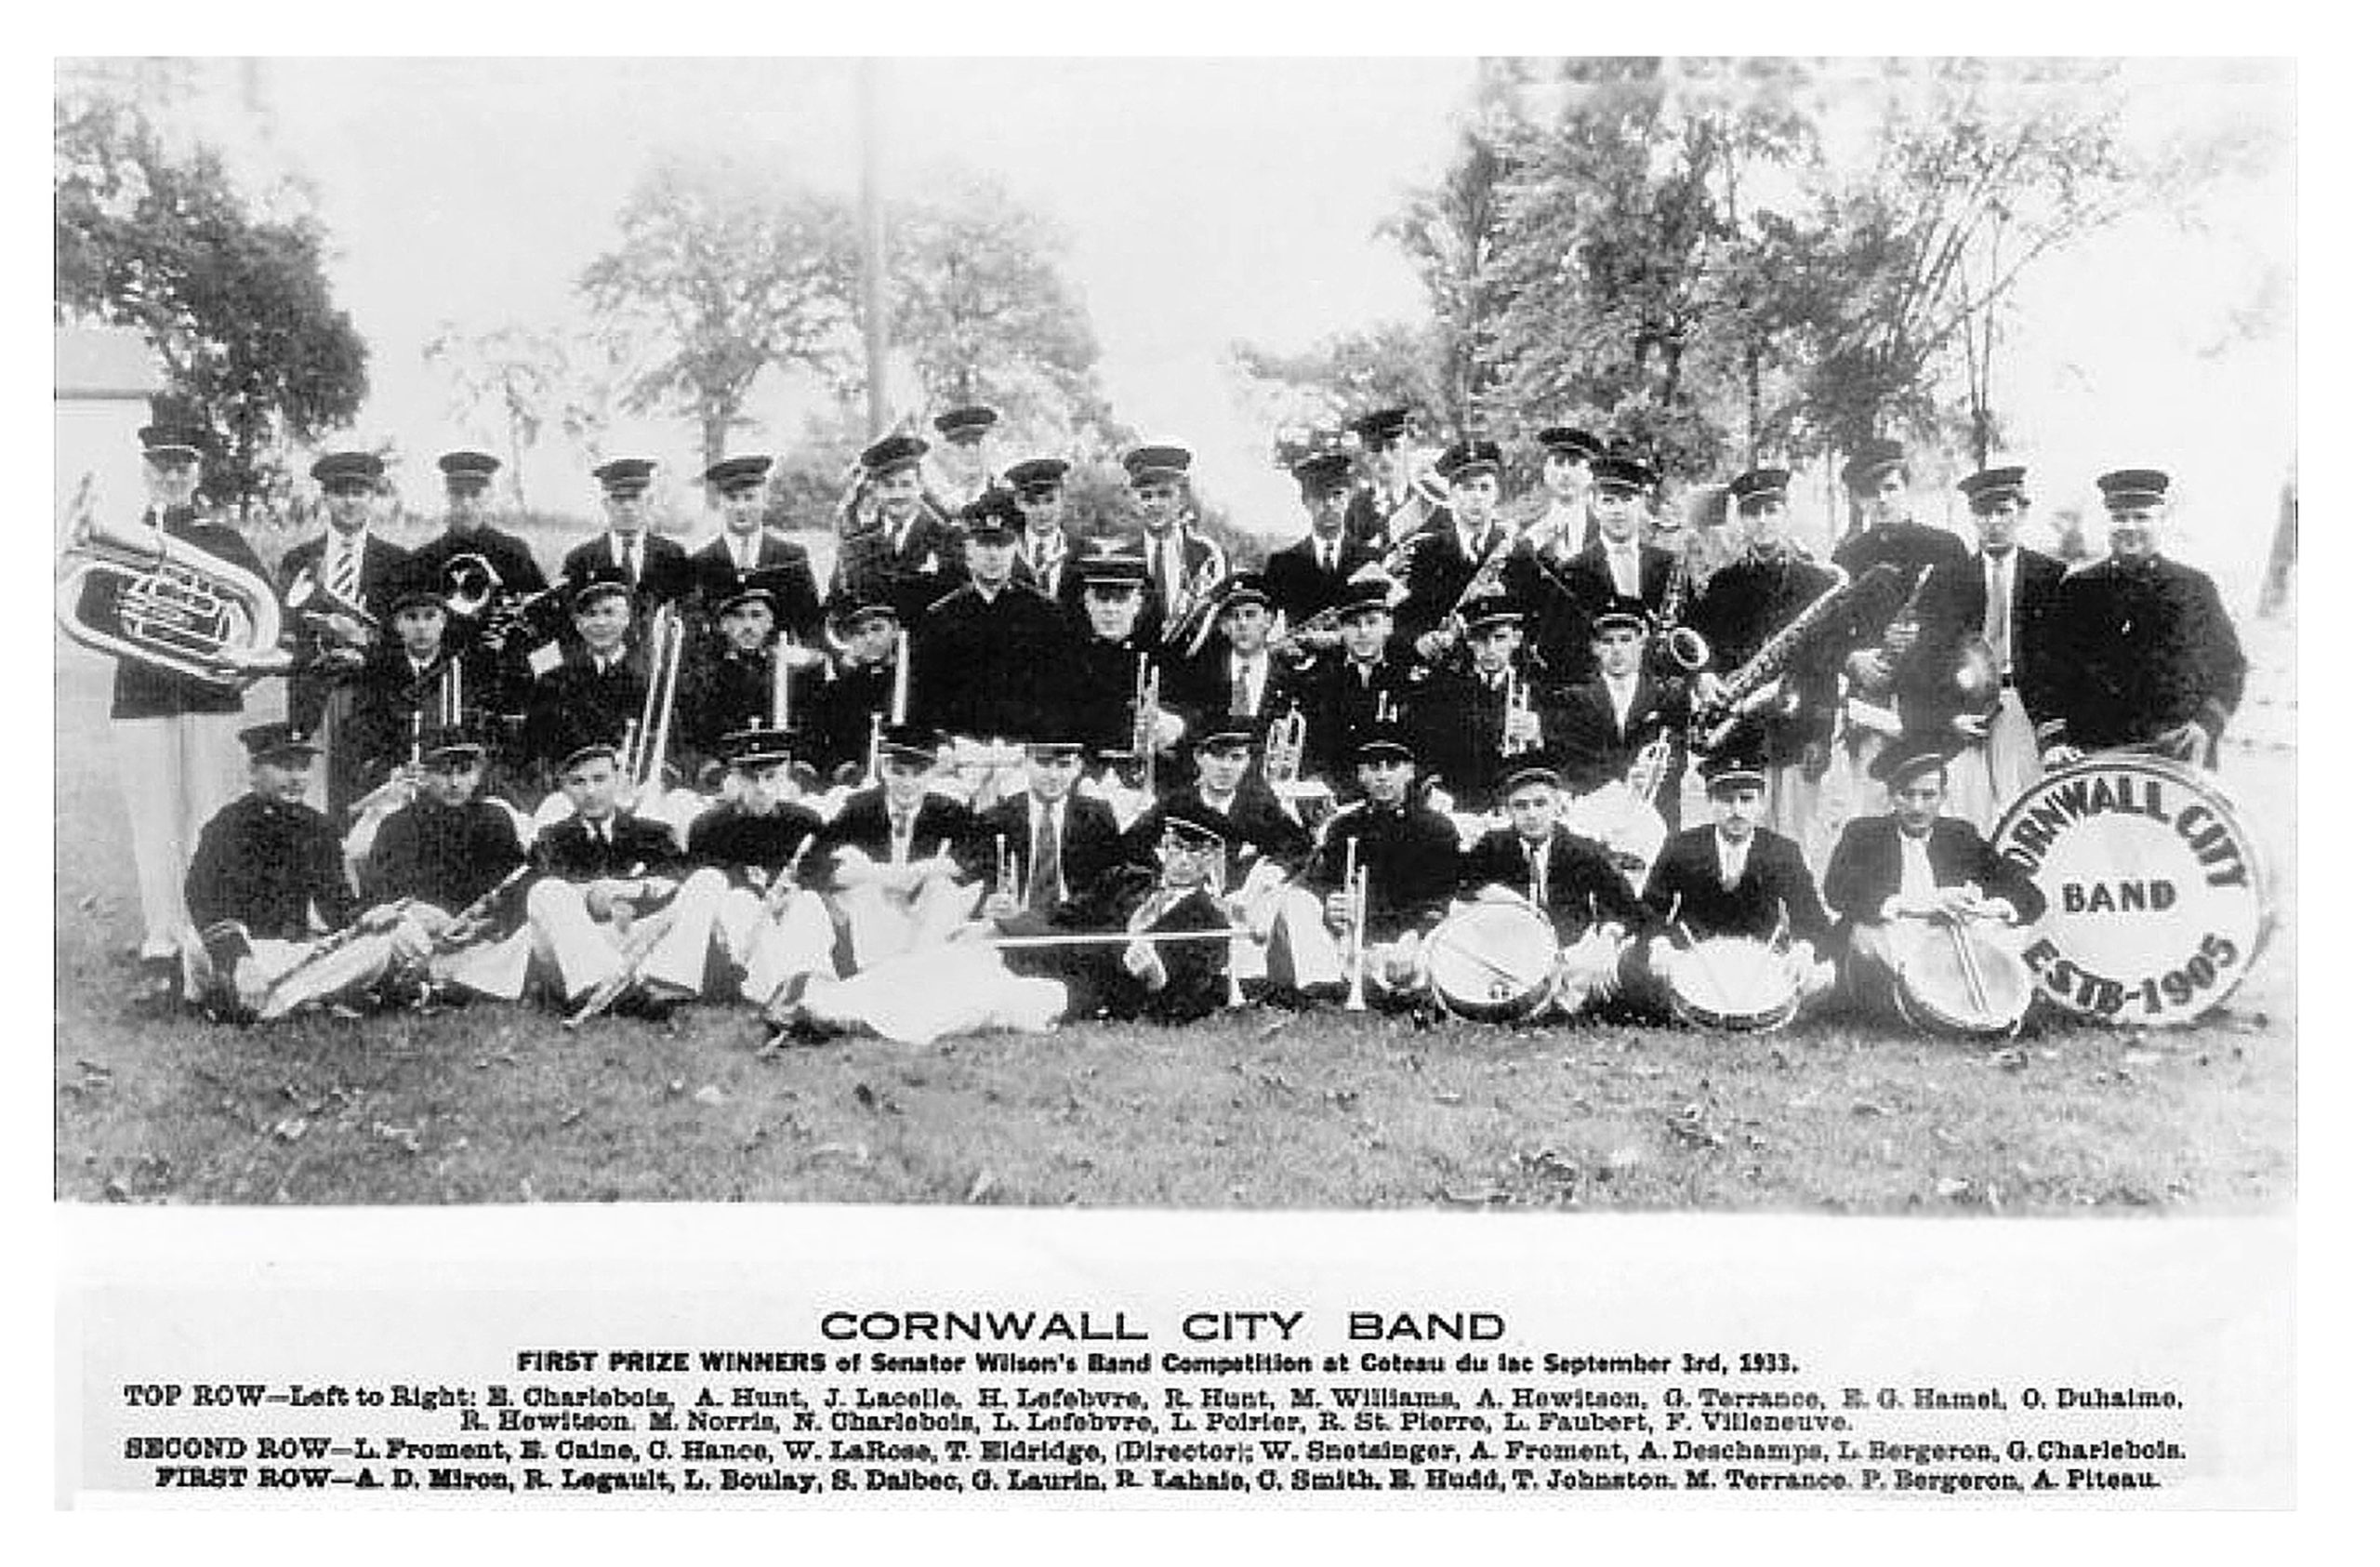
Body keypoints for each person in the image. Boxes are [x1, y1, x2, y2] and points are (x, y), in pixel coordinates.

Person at [88, 420, 276, 985]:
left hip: (210, 698)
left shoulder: (223, 541)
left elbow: (264, 615)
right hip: (142, 698)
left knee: (209, 818)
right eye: (161, 465)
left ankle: (207, 928)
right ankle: (161, 934)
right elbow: (94, 610)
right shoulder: (118, 534)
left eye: (182, 466)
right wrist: (142, 611)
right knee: (153, 822)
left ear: (197, 473)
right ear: (146, 471)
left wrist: (227, 642)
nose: (172, 475)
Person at [1687, 467, 1854, 857]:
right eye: (1752, 513)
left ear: (1786, 514)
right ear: (1741, 520)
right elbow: (1702, 651)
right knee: (1740, 844)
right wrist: (1705, 677)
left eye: (1771, 510)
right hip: (1739, 731)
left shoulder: (1816, 583)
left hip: (1797, 731)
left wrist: (1820, 736)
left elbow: (1827, 667)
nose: (1762, 521)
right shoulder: (1721, 584)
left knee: (1794, 842)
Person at [180, 724, 397, 1021]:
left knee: (377, 949)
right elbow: (203, 901)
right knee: (194, 942)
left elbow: (335, 903)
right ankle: (303, 998)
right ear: (253, 771)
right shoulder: (227, 825)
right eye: (284, 766)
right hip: (241, 949)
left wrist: (366, 917)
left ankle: (264, 1004)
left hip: (292, 951)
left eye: (304, 767)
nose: (297, 778)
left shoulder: (318, 827)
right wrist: (240, 960)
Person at [2036, 469, 2248, 769]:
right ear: (2108, 524)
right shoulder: (2077, 589)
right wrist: (2053, 742)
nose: (2129, 527)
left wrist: (2205, 725)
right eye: (2119, 518)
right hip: (2092, 759)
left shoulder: (2194, 588)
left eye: (2141, 517)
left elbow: (2230, 667)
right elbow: (2048, 674)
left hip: (2176, 757)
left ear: (2161, 521)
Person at [1821, 737, 2045, 1019]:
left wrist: (1986, 908)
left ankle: (1986, 1006)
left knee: (2012, 930)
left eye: (1928, 796)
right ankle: (1888, 1007)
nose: (1917, 807)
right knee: (1864, 935)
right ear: (1891, 797)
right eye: (1907, 794)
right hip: (1889, 940)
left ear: (1943, 797)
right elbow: (1837, 891)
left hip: (1945, 946)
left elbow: (2029, 896)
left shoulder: (1959, 835)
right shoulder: (1864, 834)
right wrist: (1913, 905)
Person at [522, 741, 722, 1016]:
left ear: (619, 780)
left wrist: (631, 890)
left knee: (708, 879)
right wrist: (590, 893)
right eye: (578, 782)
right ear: (564, 788)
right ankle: (603, 986)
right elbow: (543, 898)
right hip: (581, 950)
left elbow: (678, 881)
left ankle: (666, 984)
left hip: (642, 940)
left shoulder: (654, 832)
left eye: (600, 779)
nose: (590, 792)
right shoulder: (551, 838)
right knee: (545, 891)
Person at [1133, 720, 1329, 998]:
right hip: (1190, 907)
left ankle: (1314, 988)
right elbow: (1133, 847)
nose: (1226, 767)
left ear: (1247, 762)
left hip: (1244, 903)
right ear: (1199, 758)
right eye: (1217, 756)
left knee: (1293, 902)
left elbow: (1297, 846)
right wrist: (1165, 879)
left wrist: (1268, 876)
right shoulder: (1175, 804)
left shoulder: (1259, 806)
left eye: (1236, 758)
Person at [1831, 438, 1973, 817]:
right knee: (1872, 816)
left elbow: (1964, 629)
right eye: (1869, 492)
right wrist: (1853, 659)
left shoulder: (1945, 548)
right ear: (1858, 500)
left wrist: (1922, 637)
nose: (1881, 500)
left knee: (1935, 814)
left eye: (1891, 487)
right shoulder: (1846, 557)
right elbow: (1831, 635)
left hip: (1931, 708)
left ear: (1906, 488)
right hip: (1872, 711)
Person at [1637, 743, 1834, 1008]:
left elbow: (1811, 916)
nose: (1737, 810)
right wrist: (1661, 945)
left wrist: (1804, 950)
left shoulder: (1783, 851)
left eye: (1746, 799)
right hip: (1693, 955)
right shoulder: (1682, 846)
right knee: (1633, 962)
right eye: (1726, 800)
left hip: (1759, 958)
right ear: (1710, 802)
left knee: (1825, 974)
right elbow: (1650, 908)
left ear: (1761, 804)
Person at [358, 722, 536, 1003]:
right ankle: (465, 985)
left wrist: (485, 925)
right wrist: (418, 911)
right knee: (394, 936)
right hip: (423, 940)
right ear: (425, 776)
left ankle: (443, 987)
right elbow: (377, 896)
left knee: (528, 932)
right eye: (443, 773)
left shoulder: (495, 819)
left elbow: (515, 888)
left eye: (464, 772)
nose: (454, 783)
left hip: (479, 940)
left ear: (477, 775)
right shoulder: (397, 825)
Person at [279, 450, 413, 817]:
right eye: (340, 491)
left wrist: (363, 642)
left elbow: (409, 642)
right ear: (326, 498)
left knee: (371, 804)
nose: (350, 501)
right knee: (314, 804)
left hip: (373, 696)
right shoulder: (297, 560)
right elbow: (285, 631)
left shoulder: (399, 562)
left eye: (359, 491)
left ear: (372, 497)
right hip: (314, 695)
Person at [1456, 764, 1650, 1014]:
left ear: (1557, 806)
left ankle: (1560, 1001)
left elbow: (1627, 907)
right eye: (1521, 806)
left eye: (1540, 803)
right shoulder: (1493, 846)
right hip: (1511, 947)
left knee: (1592, 967)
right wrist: (1488, 891)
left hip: (1568, 948)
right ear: (1507, 811)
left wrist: (1609, 936)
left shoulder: (1583, 850)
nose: (1531, 814)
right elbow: (1461, 886)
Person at [1931, 464, 2066, 823]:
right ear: (1972, 517)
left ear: (2022, 513)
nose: (1993, 522)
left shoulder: (2050, 577)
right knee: (1966, 816)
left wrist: (2053, 728)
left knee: (2025, 812)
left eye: (2003, 511)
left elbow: (2063, 661)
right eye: (1982, 512)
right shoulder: (1949, 579)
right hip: (1965, 711)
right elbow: (1932, 656)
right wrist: (1949, 715)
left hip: (2022, 704)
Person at [1304, 723, 1462, 1006]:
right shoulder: (1342, 827)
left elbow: (1442, 897)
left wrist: (1413, 936)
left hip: (1414, 936)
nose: (1383, 776)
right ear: (1361, 775)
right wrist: (1330, 904)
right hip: (1360, 937)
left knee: (1425, 963)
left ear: (1410, 772)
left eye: (1392, 766)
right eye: (1374, 767)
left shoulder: (1437, 828)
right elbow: (1323, 883)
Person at [682, 726, 839, 1008]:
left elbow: (821, 873)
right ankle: (773, 993)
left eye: (771, 777)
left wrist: (797, 890)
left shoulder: (806, 822)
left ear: (785, 775)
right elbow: (705, 889)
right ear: (735, 778)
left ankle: (813, 987)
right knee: (740, 902)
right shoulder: (708, 828)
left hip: (787, 912)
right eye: (751, 778)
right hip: (736, 927)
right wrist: (758, 892)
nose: (762, 788)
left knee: (809, 903)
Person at [810, 724, 986, 970]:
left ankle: (919, 972)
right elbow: (815, 863)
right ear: (884, 769)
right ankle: (874, 974)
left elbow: (975, 858)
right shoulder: (858, 809)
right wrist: (876, 873)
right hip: (872, 919)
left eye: (918, 773)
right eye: (899, 772)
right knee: (864, 885)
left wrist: (923, 870)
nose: (908, 783)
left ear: (933, 773)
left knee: (941, 887)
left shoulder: (948, 810)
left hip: (922, 918)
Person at [910, 490, 1074, 743]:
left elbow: (1057, 696)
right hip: (960, 751)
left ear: (1015, 547)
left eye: (1002, 544)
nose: (993, 555)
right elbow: (927, 699)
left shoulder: (1045, 614)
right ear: (967, 551)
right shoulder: (940, 617)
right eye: (984, 545)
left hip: (1024, 750)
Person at [410, 449, 551, 734]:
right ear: (446, 497)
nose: (466, 504)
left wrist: (512, 637)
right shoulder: (425, 559)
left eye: (475, 495)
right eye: (458, 495)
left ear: (489, 495)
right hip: (444, 682)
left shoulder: (513, 553)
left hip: (504, 682)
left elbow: (543, 620)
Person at [1408, 595, 1543, 813]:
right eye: (1481, 639)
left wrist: (1539, 734)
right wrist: (1431, 787)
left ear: (1516, 639)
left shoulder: (1537, 691)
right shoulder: (1444, 691)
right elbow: (1422, 750)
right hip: (1459, 806)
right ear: (1470, 641)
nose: (1490, 648)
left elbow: (1560, 755)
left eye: (1499, 638)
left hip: (1520, 807)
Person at [687, 454, 826, 646]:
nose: (741, 507)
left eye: (749, 497)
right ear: (719, 502)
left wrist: (804, 660)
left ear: (765, 500)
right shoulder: (699, 563)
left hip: (779, 670)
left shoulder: (791, 557)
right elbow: (692, 635)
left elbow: (811, 629)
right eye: (732, 499)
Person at [830, 433, 965, 628]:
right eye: (888, 486)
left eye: (906, 484)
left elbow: (960, 605)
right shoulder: (854, 545)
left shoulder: (949, 539)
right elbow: (837, 604)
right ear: (876, 490)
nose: (898, 494)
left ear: (920, 487)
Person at [1301, 582, 1423, 795]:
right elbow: (1311, 752)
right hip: (1334, 795)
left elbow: (1423, 747)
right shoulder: (1319, 681)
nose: (1363, 632)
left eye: (1372, 622)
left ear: (1388, 626)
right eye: (1353, 624)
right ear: (1340, 630)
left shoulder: (1409, 679)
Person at [1395, 439, 1512, 657]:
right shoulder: (1424, 552)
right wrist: (1420, 642)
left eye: (1485, 488)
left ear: (1497, 494)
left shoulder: (1516, 550)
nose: (1476, 496)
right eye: (1467, 488)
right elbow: (1403, 622)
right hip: (1442, 677)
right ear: (1451, 493)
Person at [559, 458, 694, 628]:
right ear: (606, 505)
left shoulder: (673, 556)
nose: (628, 507)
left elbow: (687, 616)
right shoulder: (581, 560)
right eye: (619, 499)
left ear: (649, 502)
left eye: (635, 498)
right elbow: (568, 625)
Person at [1261, 450, 1381, 637]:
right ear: (1305, 502)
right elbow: (1265, 628)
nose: (1330, 504)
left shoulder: (1371, 558)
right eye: (1320, 497)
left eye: (1337, 494)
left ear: (1348, 498)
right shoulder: (1282, 564)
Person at [1121, 444, 1227, 648]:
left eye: (1164, 494)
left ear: (1182, 499)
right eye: (1146, 496)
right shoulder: (1122, 558)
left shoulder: (1208, 555)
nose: (1154, 504)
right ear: (1136, 503)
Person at [808, 600, 907, 780]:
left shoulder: (914, 685)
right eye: (860, 633)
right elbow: (822, 747)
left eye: (877, 629)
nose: (869, 639)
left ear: (894, 631)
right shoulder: (836, 691)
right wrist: (845, 770)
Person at [1343, 407, 1436, 550]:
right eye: (1375, 449)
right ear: (1365, 456)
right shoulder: (1356, 508)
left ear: (1408, 448)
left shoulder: (1430, 498)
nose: (1385, 458)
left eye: (1394, 447)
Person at [1007, 458, 1081, 606]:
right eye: (1032, 503)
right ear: (1018, 503)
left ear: (1063, 498)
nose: (1042, 511)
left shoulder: (1084, 553)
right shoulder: (1006, 553)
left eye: (1050, 500)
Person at [929, 404, 1000, 513]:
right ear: (945, 451)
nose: (971, 452)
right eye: (961, 444)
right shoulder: (932, 505)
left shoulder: (1006, 502)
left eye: (978, 442)